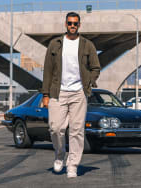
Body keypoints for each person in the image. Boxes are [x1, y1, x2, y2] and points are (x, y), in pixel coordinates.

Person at [41, 12, 101, 178]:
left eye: (75, 23)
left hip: (79, 93)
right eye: (70, 23)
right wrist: (45, 94)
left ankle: (73, 165)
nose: (72, 26)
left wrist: (89, 81)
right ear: (65, 24)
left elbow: (96, 67)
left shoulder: (87, 45)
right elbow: (47, 70)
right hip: (57, 92)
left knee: (76, 130)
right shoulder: (55, 44)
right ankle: (60, 155)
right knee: (55, 128)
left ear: (79, 25)